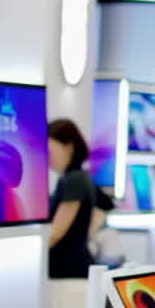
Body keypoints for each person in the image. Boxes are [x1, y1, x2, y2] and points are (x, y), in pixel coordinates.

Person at [47, 119, 97, 279]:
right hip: (67, 269)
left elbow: (55, 234)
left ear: (69, 147)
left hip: (69, 271)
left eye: (51, 151)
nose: (48, 158)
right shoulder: (73, 178)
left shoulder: (74, 179)